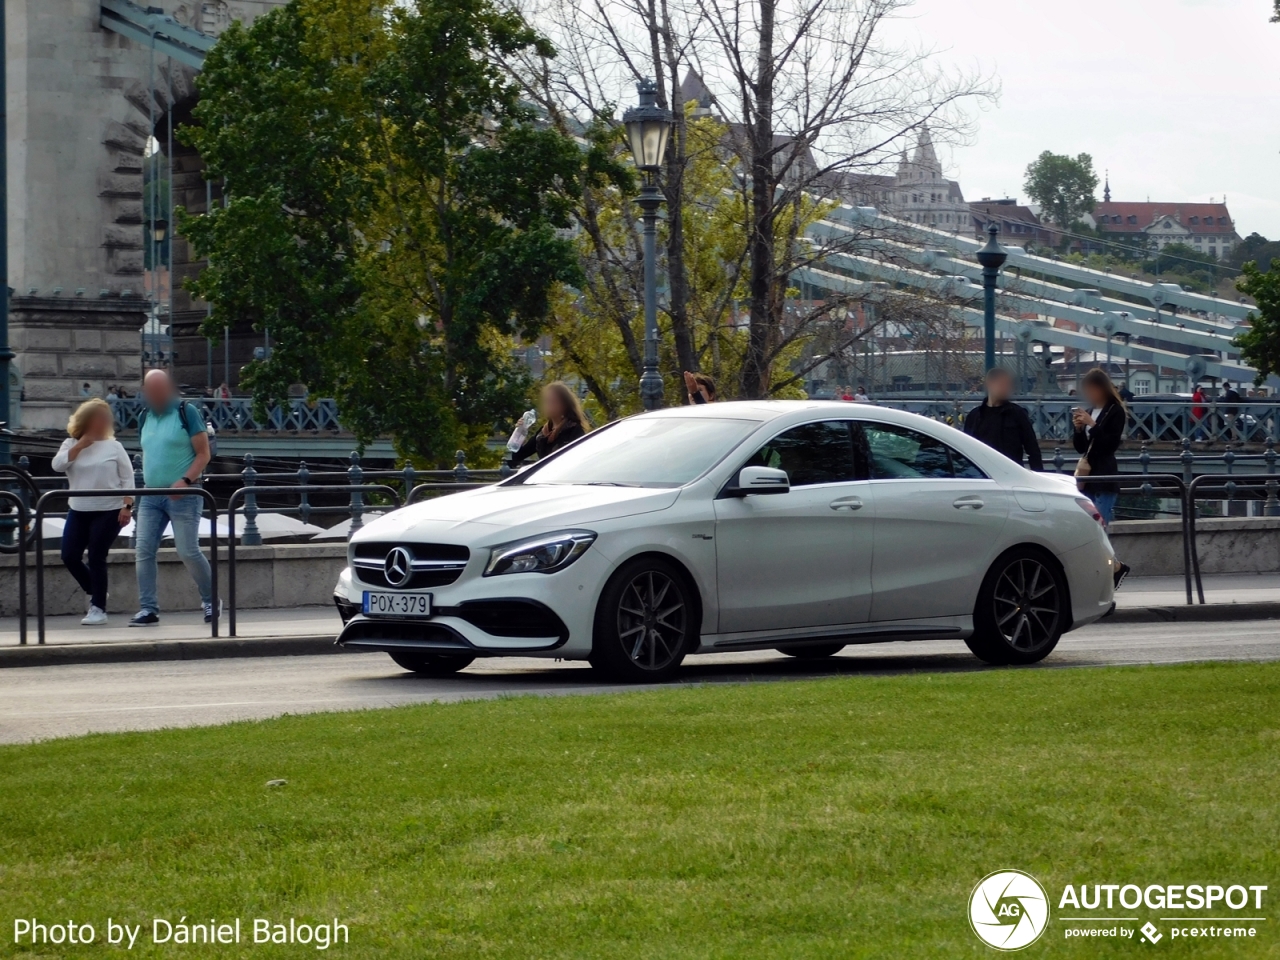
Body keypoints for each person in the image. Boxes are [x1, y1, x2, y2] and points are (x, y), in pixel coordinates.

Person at [131, 369, 216, 626]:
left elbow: (204, 454)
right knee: (143, 550)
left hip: (185, 494)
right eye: (150, 390)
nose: (155, 395)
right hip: (151, 494)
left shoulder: (186, 411)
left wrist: (186, 481)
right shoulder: (145, 416)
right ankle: (148, 609)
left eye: (160, 389)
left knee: (187, 551)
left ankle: (211, 600)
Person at [51, 399, 134, 625]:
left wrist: (127, 507)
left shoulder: (114, 446)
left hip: (109, 510)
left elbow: (128, 478)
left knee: (97, 554)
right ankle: (96, 590)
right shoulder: (70, 444)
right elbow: (57, 465)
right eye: (98, 418)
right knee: (69, 555)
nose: (103, 422)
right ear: (86, 420)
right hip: (79, 509)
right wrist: (79, 446)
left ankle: (98, 608)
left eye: (105, 418)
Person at [1072, 368, 1131, 586]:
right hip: (1087, 478)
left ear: (1100, 388)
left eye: (1091, 390)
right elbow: (1081, 448)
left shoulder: (1114, 411)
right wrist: (1078, 429)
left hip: (1104, 478)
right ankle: (1114, 568)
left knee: (1098, 530)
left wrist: (1092, 425)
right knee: (1090, 530)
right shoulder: (1090, 411)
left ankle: (1106, 575)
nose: (1088, 395)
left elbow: (1109, 444)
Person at [963, 367, 1043, 471]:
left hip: (1012, 476)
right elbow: (967, 450)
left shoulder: (1018, 414)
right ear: (989, 384)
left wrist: (1038, 476)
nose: (1007, 389)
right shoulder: (974, 416)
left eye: (1009, 385)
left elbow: (1033, 450)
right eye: (1002, 384)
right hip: (984, 477)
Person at [510, 381, 591, 467]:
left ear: (564, 405)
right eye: (546, 401)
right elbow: (517, 457)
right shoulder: (543, 433)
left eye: (553, 401)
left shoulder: (574, 430)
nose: (548, 405)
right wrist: (519, 432)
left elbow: (578, 462)